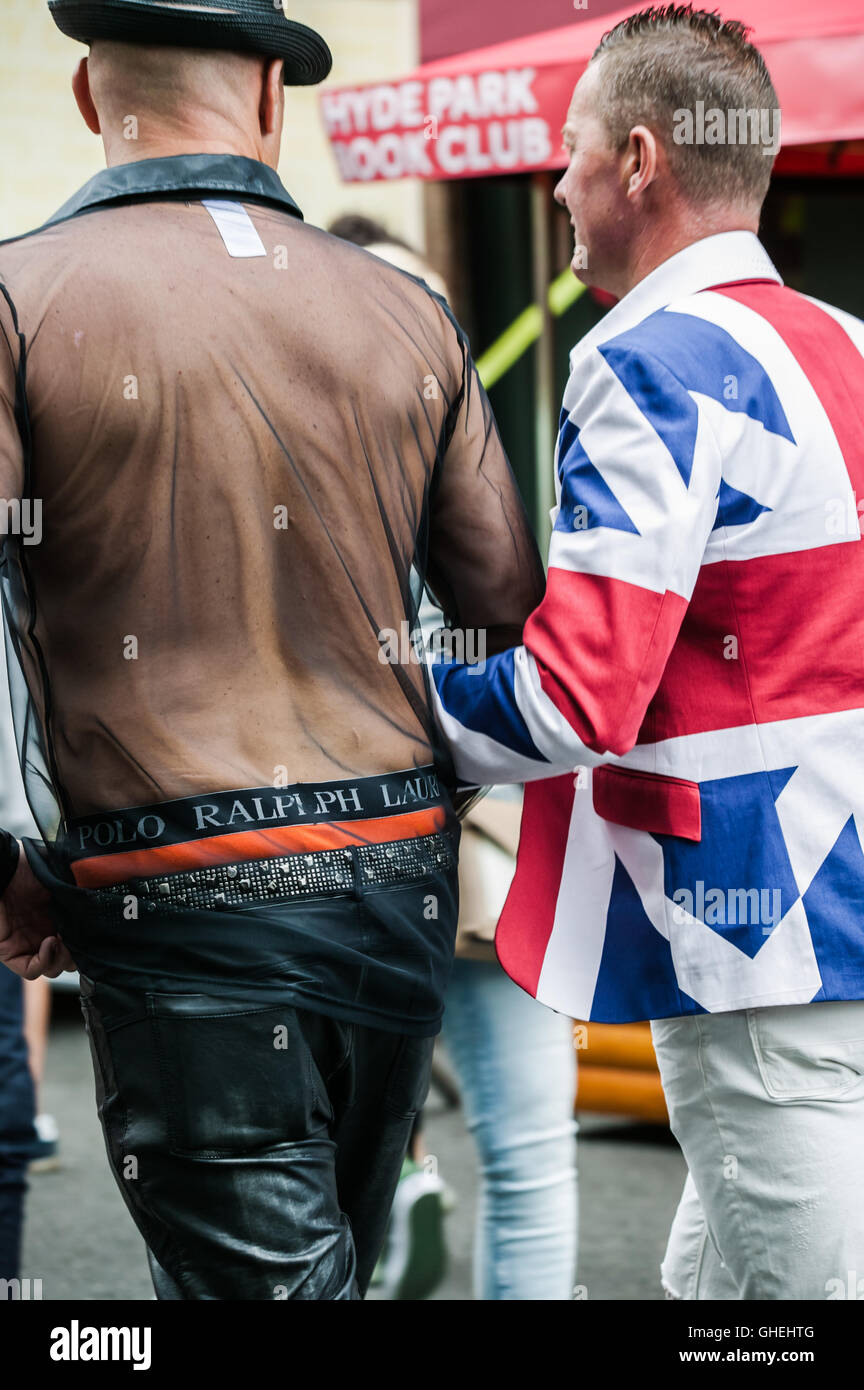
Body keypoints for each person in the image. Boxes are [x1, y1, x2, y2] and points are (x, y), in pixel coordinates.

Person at [0, 0, 544, 1300]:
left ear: (88, 95)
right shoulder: (408, 310)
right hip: (392, 885)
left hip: (180, 894)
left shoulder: (20, 295)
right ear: (269, 99)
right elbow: (505, 610)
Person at [432, 4, 864, 1300]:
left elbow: (576, 689)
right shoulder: (846, 343)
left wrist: (387, 714)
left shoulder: (644, 358)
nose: (551, 183)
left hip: (751, 925)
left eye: (566, 151)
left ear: (636, 160)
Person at [331, 216, 579, 1302]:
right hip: (387, 853)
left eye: (437, 312)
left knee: (520, 1152)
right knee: (349, 1163)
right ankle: (413, 1177)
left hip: (461, 853)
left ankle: (415, 1176)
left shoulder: (478, 467)